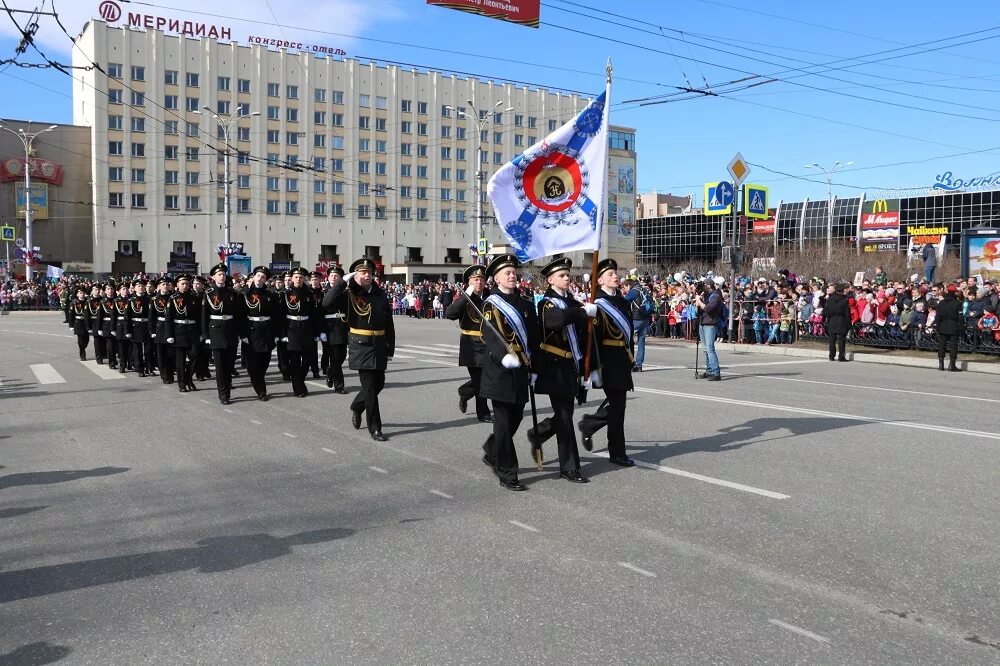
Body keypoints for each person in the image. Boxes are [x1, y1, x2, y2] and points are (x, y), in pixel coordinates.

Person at [527, 257, 598, 484]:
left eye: (568, 275)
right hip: (554, 367)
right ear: (550, 280)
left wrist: (590, 370)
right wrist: (584, 312)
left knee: (565, 415)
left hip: (572, 366)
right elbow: (555, 321)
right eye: (562, 276)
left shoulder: (574, 302)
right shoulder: (547, 303)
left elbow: (586, 336)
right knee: (566, 418)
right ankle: (569, 467)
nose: (567, 278)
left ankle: (540, 432)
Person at [479, 254, 539, 490]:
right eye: (507, 272)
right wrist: (503, 356)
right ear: (496, 278)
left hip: (521, 369)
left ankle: (492, 448)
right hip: (500, 371)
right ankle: (507, 472)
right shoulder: (491, 304)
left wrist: (536, 367)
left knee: (515, 419)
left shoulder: (524, 303)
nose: (512, 275)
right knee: (504, 423)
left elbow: (533, 336)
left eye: (514, 272)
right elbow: (490, 335)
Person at [323, 257, 395, 440]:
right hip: (360, 345)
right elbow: (326, 303)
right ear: (355, 276)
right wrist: (342, 282)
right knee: (370, 388)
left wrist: (390, 348)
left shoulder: (379, 294)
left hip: (378, 344)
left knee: (378, 384)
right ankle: (375, 427)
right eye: (363, 272)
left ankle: (357, 405)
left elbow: (388, 322)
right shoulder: (348, 294)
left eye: (369, 272)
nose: (367, 275)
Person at [578, 258, 635, 467]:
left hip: (622, 359)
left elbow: (628, 333)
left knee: (618, 405)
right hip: (607, 361)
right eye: (610, 274)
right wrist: (592, 368)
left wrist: (632, 356)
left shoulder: (621, 301)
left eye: (615, 273)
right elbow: (592, 340)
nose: (615, 276)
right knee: (618, 406)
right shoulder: (598, 304)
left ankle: (590, 424)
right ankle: (617, 452)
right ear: (600, 280)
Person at [445, 264, 492, 423]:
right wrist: (465, 297)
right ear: (469, 281)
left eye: (482, 279)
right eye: (476, 279)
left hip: (488, 344)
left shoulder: (490, 297)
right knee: (480, 381)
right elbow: (450, 314)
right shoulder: (465, 298)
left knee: (486, 378)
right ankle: (483, 413)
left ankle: (465, 392)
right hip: (471, 345)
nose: (479, 282)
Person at [202, 263, 240, 405]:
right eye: (219, 274)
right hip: (215, 331)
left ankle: (227, 390)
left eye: (223, 274)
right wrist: (205, 335)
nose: (222, 276)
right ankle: (223, 394)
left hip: (230, 330)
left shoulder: (232, 293)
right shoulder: (208, 294)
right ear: (213, 277)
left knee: (229, 365)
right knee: (220, 366)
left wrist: (239, 333)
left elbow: (237, 315)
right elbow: (204, 316)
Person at [240, 265, 278, 401]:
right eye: (258, 276)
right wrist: (243, 334)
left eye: (263, 277)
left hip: (266, 330)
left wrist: (277, 334)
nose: (260, 278)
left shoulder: (271, 295)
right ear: (253, 277)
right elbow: (241, 316)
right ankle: (261, 391)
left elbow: (276, 315)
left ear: (265, 280)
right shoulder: (244, 294)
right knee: (253, 364)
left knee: (265, 361)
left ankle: (258, 379)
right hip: (251, 330)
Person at [280, 267, 316, 398]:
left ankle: (300, 381)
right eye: (296, 277)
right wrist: (283, 334)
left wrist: (316, 333)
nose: (298, 279)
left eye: (301, 277)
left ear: (304, 279)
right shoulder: (285, 294)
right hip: (292, 328)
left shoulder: (309, 293)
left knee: (307, 361)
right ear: (292, 279)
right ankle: (298, 388)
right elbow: (281, 315)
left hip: (306, 328)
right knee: (294, 361)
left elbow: (313, 314)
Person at [165, 274, 201, 393]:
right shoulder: (173, 298)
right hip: (178, 331)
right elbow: (168, 318)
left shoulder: (194, 297)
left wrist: (201, 333)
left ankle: (188, 378)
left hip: (192, 330)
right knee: (180, 360)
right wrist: (169, 335)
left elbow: (199, 316)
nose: (185, 286)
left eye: (187, 284)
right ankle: (181, 383)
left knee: (195, 355)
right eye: (182, 284)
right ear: (177, 285)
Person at [320, 265, 349, 394]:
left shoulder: (346, 292)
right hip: (329, 326)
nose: (333, 277)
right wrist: (320, 330)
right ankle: (339, 386)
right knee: (335, 356)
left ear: (340, 278)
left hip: (342, 325)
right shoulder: (324, 291)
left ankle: (330, 371)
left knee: (341, 356)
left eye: (336, 276)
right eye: (331, 275)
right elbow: (322, 309)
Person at [695, 279, 723, 380]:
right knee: (705, 349)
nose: (703, 287)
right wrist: (698, 300)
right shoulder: (706, 295)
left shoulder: (715, 295)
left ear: (709, 285)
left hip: (710, 324)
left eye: (704, 285)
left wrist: (698, 300)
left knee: (710, 349)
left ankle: (716, 372)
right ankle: (709, 370)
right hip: (702, 323)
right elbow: (697, 310)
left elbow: (708, 309)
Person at [127, 279, 153, 377]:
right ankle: (140, 369)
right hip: (135, 326)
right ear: (134, 288)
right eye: (138, 286)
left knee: (148, 349)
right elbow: (127, 316)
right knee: (137, 350)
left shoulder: (149, 299)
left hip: (146, 325)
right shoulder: (131, 300)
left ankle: (149, 368)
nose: (141, 288)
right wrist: (127, 330)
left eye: (142, 286)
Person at [151, 277, 175, 384]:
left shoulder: (173, 298)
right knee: (161, 355)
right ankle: (164, 375)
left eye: (167, 284)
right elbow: (151, 317)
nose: (165, 286)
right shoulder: (154, 300)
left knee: (170, 354)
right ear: (159, 286)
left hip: (171, 328)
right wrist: (152, 331)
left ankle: (170, 374)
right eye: (163, 284)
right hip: (160, 328)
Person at [624, 278, 650, 372]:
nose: (626, 290)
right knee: (641, 342)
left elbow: (624, 301)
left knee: (627, 340)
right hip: (645, 318)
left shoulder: (633, 291)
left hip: (636, 319)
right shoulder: (643, 289)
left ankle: (630, 363)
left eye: (625, 287)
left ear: (628, 285)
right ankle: (639, 365)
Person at [935, 284, 963, 372]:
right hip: (953, 326)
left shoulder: (941, 303)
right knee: (953, 345)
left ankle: (941, 365)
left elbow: (938, 316)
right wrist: (961, 326)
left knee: (942, 345)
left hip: (942, 326)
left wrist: (937, 325)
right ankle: (952, 365)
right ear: (954, 293)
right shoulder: (957, 303)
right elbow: (960, 317)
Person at [823, 283, 852, 362]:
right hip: (841, 321)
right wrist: (849, 323)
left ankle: (831, 356)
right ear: (842, 291)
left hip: (832, 320)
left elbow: (826, 311)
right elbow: (847, 313)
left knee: (832, 340)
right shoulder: (844, 300)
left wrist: (828, 320)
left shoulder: (830, 299)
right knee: (841, 340)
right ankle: (841, 356)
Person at [306, 271, 325, 379]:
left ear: (319, 280)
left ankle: (325, 366)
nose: (314, 281)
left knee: (326, 348)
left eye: (316, 279)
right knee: (312, 349)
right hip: (310, 324)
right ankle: (315, 370)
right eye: (312, 280)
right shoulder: (307, 292)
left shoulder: (323, 292)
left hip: (322, 323)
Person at [113, 282, 132, 373]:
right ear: (119, 291)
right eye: (123, 289)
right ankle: (122, 365)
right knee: (121, 348)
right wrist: (113, 328)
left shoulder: (131, 300)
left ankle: (130, 363)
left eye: (126, 289)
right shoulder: (116, 301)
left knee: (130, 347)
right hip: (120, 325)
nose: (125, 290)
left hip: (130, 325)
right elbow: (113, 315)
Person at [68, 285, 91, 360]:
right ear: (77, 294)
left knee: (86, 339)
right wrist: (71, 325)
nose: (82, 294)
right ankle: (82, 354)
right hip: (78, 323)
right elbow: (71, 314)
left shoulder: (87, 302)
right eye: (80, 293)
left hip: (86, 322)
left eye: (83, 293)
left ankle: (83, 348)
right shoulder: (74, 302)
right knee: (80, 340)